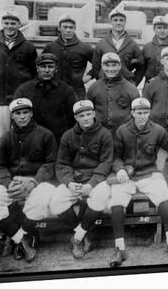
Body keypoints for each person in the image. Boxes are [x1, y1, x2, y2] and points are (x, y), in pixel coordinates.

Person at [108, 98, 168, 266]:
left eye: (145, 112)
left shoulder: (158, 130)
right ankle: (119, 248)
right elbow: (116, 156)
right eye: (138, 112)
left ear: (149, 113)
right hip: (128, 176)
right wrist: (119, 169)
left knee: (163, 195)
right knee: (116, 201)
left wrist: (164, 173)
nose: (142, 116)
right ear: (132, 113)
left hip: (149, 173)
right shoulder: (122, 131)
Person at [0, 98, 57, 263]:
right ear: (12, 116)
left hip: (38, 182)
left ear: (31, 113)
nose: (22, 116)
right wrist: (8, 183)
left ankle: (18, 237)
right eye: (17, 113)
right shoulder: (5, 138)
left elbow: (51, 164)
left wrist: (33, 182)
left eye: (25, 112)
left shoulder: (45, 134)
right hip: (13, 183)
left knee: (41, 200)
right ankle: (22, 239)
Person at [49, 100, 113, 259]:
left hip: (95, 179)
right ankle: (83, 232)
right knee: (56, 202)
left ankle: (77, 239)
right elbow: (62, 164)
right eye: (81, 115)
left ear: (93, 114)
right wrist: (69, 182)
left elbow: (106, 162)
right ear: (76, 117)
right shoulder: (68, 135)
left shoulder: (104, 133)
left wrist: (92, 184)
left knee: (101, 197)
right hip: (74, 180)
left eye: (88, 114)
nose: (85, 118)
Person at [13, 53, 77, 141]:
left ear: (56, 69)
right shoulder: (24, 89)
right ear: (37, 68)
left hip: (58, 140)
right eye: (43, 66)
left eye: (50, 67)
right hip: (30, 139)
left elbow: (73, 119)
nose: (47, 70)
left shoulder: (67, 90)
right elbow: (16, 116)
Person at [0, 10, 37, 141]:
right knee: (0, 135)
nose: (9, 26)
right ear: (2, 24)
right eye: (6, 23)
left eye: (13, 23)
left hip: (20, 96)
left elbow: (34, 72)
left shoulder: (28, 47)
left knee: (21, 134)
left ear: (19, 25)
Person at [85, 52, 140, 134]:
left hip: (124, 134)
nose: (110, 69)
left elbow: (137, 114)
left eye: (114, 65)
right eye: (107, 65)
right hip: (99, 134)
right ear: (102, 66)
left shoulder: (131, 89)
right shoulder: (94, 88)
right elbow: (88, 112)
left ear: (120, 66)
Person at [43, 14, 94, 100]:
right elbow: (40, 65)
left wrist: (89, 76)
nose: (68, 30)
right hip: (54, 89)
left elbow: (99, 63)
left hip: (76, 91)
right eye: (65, 27)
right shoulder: (50, 47)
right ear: (59, 28)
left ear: (75, 29)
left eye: (71, 28)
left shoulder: (85, 47)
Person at [90, 8, 145, 85]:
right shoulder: (101, 44)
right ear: (111, 22)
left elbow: (141, 67)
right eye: (115, 20)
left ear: (125, 22)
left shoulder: (133, 45)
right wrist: (100, 81)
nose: (118, 23)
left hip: (125, 84)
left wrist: (134, 83)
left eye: (121, 20)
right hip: (105, 84)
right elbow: (96, 67)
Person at [140, 16, 168, 82]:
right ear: (154, 29)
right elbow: (141, 70)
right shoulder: (147, 47)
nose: (162, 31)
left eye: (165, 28)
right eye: (159, 28)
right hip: (150, 84)